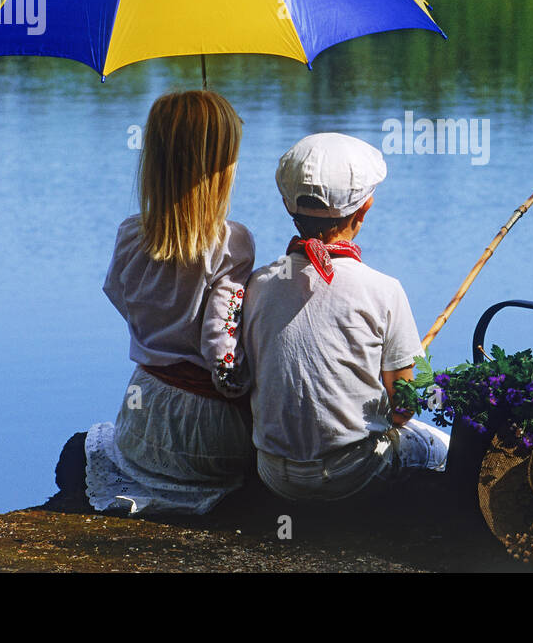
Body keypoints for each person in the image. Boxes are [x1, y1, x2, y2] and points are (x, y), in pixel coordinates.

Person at [242, 132, 449, 502]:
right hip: (354, 476)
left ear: (289, 207)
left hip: (273, 473)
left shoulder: (258, 284)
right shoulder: (383, 290)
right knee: (439, 446)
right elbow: (403, 410)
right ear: (365, 208)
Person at [82, 90, 255, 515]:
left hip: (145, 416)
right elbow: (222, 349)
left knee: (100, 447)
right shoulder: (232, 243)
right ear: (220, 170)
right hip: (207, 431)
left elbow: (116, 293)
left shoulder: (130, 233)